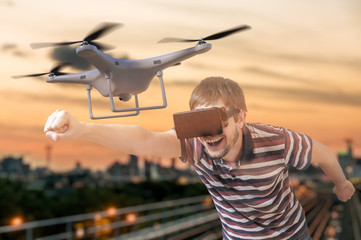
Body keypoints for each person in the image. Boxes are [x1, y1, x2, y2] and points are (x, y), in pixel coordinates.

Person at [44, 76, 355, 240]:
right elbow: (145, 139)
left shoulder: (277, 141)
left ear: (240, 118)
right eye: (198, 122)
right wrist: (82, 129)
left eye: (215, 120)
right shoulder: (195, 145)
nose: (207, 133)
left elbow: (324, 153)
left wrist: (341, 184)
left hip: (290, 234)